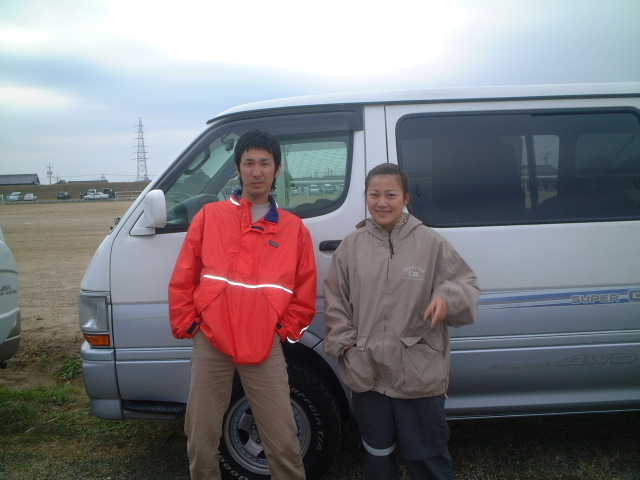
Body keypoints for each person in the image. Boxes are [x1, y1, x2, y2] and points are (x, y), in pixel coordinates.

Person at [169, 129, 316, 480]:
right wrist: (190, 323)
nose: (257, 171)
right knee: (201, 435)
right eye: (249, 163)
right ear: (237, 168)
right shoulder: (210, 216)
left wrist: (283, 330)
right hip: (211, 339)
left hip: (263, 343)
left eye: (265, 163)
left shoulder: (294, 229)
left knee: (283, 437)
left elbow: (305, 290)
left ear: (277, 169)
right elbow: (184, 276)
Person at [324, 163, 479, 480]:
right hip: (367, 373)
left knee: (428, 458)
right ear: (366, 197)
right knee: (378, 458)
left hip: (417, 374)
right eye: (374, 195)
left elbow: (466, 285)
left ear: (405, 198)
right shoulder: (351, 247)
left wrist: (447, 298)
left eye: (391, 195)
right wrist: (347, 347)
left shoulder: (430, 243)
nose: (382, 202)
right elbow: (336, 300)